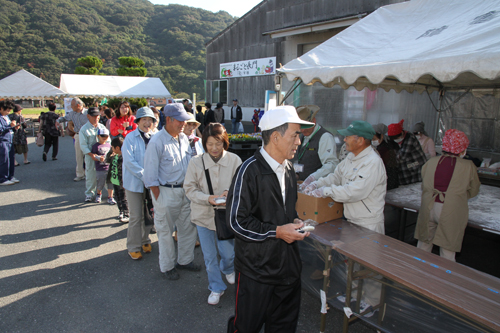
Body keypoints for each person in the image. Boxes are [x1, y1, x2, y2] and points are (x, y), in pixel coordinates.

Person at [226, 105, 313, 333]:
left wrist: (293, 223)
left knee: (283, 327)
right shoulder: (248, 171)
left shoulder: (289, 168)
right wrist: (276, 231)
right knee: (246, 327)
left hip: (288, 269)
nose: (299, 142)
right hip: (256, 272)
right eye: (294, 135)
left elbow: (285, 212)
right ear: (275, 137)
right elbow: (236, 222)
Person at [303, 120, 387, 313]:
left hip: (368, 221)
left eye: (348, 137)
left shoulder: (372, 162)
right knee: (352, 261)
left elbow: (355, 191)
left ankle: (372, 301)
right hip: (351, 220)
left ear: (361, 140)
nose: (344, 139)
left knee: (369, 264)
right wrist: (317, 182)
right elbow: (336, 176)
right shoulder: (350, 157)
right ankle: (355, 293)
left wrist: (326, 191)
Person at [184, 123, 242, 305]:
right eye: (210, 144)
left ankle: (228, 268)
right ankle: (216, 287)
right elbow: (189, 188)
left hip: (225, 216)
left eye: (218, 143)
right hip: (203, 216)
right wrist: (207, 198)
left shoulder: (235, 160)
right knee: (209, 257)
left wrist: (228, 193)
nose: (214, 148)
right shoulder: (196, 162)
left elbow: (241, 186)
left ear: (224, 142)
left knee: (228, 254)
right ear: (204, 143)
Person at [144, 103, 200, 280]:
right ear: (168, 120)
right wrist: (159, 197)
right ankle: (167, 266)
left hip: (185, 190)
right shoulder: (157, 141)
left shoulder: (183, 138)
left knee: (187, 228)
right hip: (166, 191)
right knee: (165, 232)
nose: (183, 124)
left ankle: (185, 261)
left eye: (184, 120)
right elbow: (150, 175)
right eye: (179, 120)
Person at [415, 129, 480, 262]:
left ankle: (417, 274)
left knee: (424, 243)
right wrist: (457, 196)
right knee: (448, 248)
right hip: (451, 209)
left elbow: (424, 183)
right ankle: (445, 278)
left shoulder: (431, 162)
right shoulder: (468, 166)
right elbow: (474, 190)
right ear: (461, 149)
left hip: (428, 206)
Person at [122, 107, 157, 260]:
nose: (147, 123)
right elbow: (130, 162)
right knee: (136, 216)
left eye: (150, 120)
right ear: (137, 121)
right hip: (135, 182)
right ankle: (133, 246)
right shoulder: (130, 138)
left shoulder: (155, 137)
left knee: (149, 213)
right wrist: (145, 176)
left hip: (152, 183)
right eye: (144, 120)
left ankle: (145, 240)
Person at [293, 105, 339, 185]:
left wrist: (313, 177)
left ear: (313, 121)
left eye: (305, 126)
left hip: (316, 187)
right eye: (301, 127)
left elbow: (331, 164)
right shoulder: (301, 135)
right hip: (300, 184)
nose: (302, 130)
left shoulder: (325, 137)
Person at [79, 107, 108, 202]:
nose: (96, 118)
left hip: (103, 156)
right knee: (91, 174)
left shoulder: (102, 127)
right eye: (94, 116)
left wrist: (107, 154)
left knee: (106, 174)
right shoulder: (84, 129)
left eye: (98, 116)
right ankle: (89, 193)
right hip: (90, 156)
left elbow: (108, 141)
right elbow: (83, 145)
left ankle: (110, 194)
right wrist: (91, 155)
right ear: (88, 116)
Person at [387, 119, 427, 185]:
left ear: (402, 133)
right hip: (405, 173)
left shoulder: (410, 139)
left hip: (415, 172)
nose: (396, 140)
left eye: (397, 137)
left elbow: (400, 158)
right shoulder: (394, 141)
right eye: (393, 139)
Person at [58, 98, 88, 181]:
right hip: (78, 135)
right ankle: (80, 174)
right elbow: (64, 118)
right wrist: (58, 120)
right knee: (79, 155)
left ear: (78, 105)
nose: (70, 107)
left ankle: (89, 173)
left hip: (88, 136)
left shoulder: (87, 113)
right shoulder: (72, 114)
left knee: (88, 155)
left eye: (72, 105)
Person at [106, 136, 129, 223]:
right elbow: (106, 160)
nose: (111, 149)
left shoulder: (124, 157)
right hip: (114, 180)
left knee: (124, 198)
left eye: (112, 147)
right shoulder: (114, 156)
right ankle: (121, 211)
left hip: (121, 182)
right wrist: (110, 153)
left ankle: (126, 214)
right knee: (117, 197)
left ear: (117, 148)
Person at [371, 123, 399, 190]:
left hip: (388, 180)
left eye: (374, 138)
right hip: (391, 180)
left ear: (382, 136)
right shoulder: (387, 144)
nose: (372, 141)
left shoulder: (384, 149)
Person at [91, 128, 114, 204]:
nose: (104, 138)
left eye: (106, 136)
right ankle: (98, 194)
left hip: (109, 168)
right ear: (98, 136)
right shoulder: (96, 146)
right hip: (100, 168)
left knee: (110, 183)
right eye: (102, 136)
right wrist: (98, 158)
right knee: (100, 183)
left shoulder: (109, 145)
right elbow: (93, 156)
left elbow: (112, 154)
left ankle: (110, 197)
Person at [0, 99, 19, 186]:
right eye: (7, 110)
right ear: (1, 109)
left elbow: (8, 128)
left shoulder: (6, 117)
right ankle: (2, 178)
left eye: (9, 110)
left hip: (9, 139)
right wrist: (9, 126)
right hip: (2, 140)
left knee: (11, 158)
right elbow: (1, 129)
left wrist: (14, 127)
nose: (8, 112)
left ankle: (10, 176)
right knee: (4, 160)